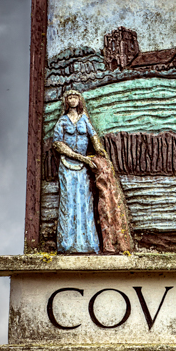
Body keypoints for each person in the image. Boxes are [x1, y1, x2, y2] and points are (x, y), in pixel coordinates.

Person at [53, 89, 134, 254]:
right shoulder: (62, 121)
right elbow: (57, 143)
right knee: (69, 203)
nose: (73, 100)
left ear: (79, 100)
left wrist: (100, 151)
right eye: (70, 97)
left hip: (84, 167)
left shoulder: (84, 119)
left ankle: (88, 244)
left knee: (85, 203)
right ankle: (67, 244)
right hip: (68, 165)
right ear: (66, 101)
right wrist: (79, 157)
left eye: (75, 97)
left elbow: (93, 136)